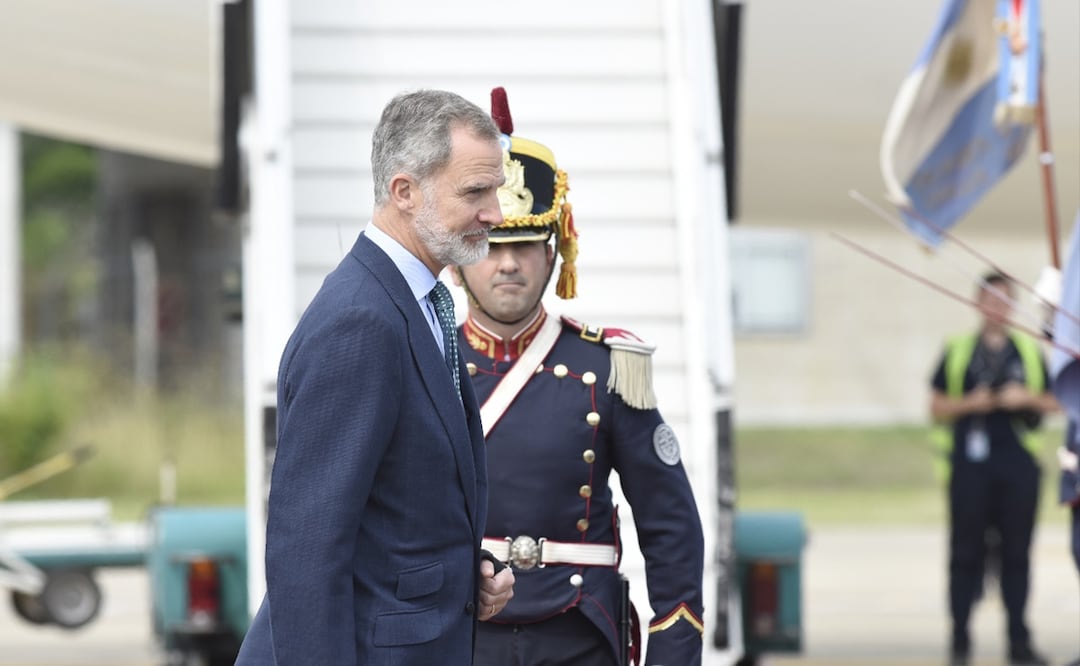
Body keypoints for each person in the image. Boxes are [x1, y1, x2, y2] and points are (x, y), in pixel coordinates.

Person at [235, 89, 515, 665]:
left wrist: (468, 575)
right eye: (475, 192)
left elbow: (398, 510)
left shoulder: (420, 302)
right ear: (405, 192)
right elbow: (307, 548)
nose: (497, 214)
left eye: (495, 189)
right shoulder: (361, 321)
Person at [452, 87, 705, 666]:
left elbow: (670, 523)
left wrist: (675, 643)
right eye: (491, 245)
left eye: (525, 245)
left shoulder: (609, 367)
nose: (508, 263)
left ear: (556, 251)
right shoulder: (422, 362)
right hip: (459, 635)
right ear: (463, 250)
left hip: (578, 635)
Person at [929, 271, 1059, 666]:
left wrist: (1026, 397)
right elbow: (936, 405)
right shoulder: (957, 349)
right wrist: (972, 404)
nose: (997, 308)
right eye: (990, 300)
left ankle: (1019, 640)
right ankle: (960, 638)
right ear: (977, 303)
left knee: (1016, 554)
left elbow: (1058, 400)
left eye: (1005, 301)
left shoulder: (1028, 350)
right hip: (970, 468)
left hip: (1017, 465)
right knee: (964, 553)